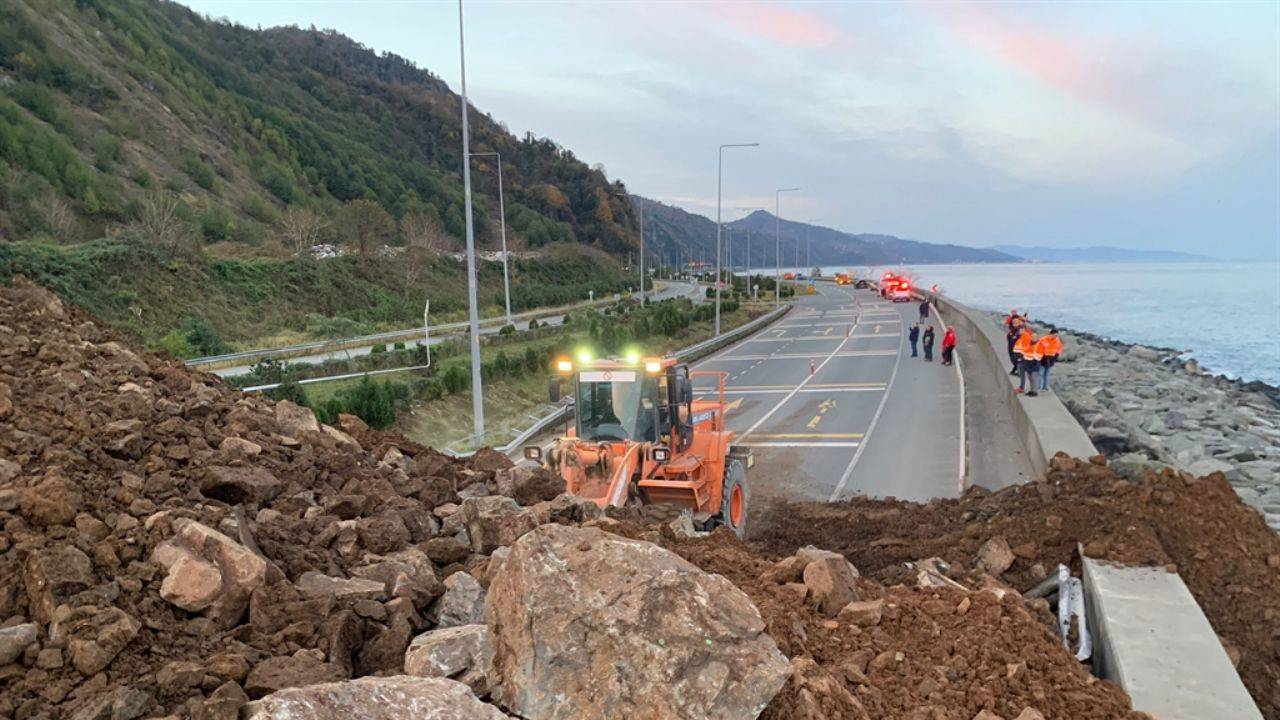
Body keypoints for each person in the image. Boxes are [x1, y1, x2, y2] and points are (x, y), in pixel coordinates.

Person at [1013, 326, 1040, 396]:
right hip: (1024, 360)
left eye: (1022, 329)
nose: (1020, 331)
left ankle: (1027, 389)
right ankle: (1028, 389)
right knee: (1028, 376)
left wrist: (1021, 358)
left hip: (1027, 361)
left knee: (1031, 377)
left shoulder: (1026, 337)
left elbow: (1026, 350)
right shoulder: (1021, 337)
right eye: (1020, 330)